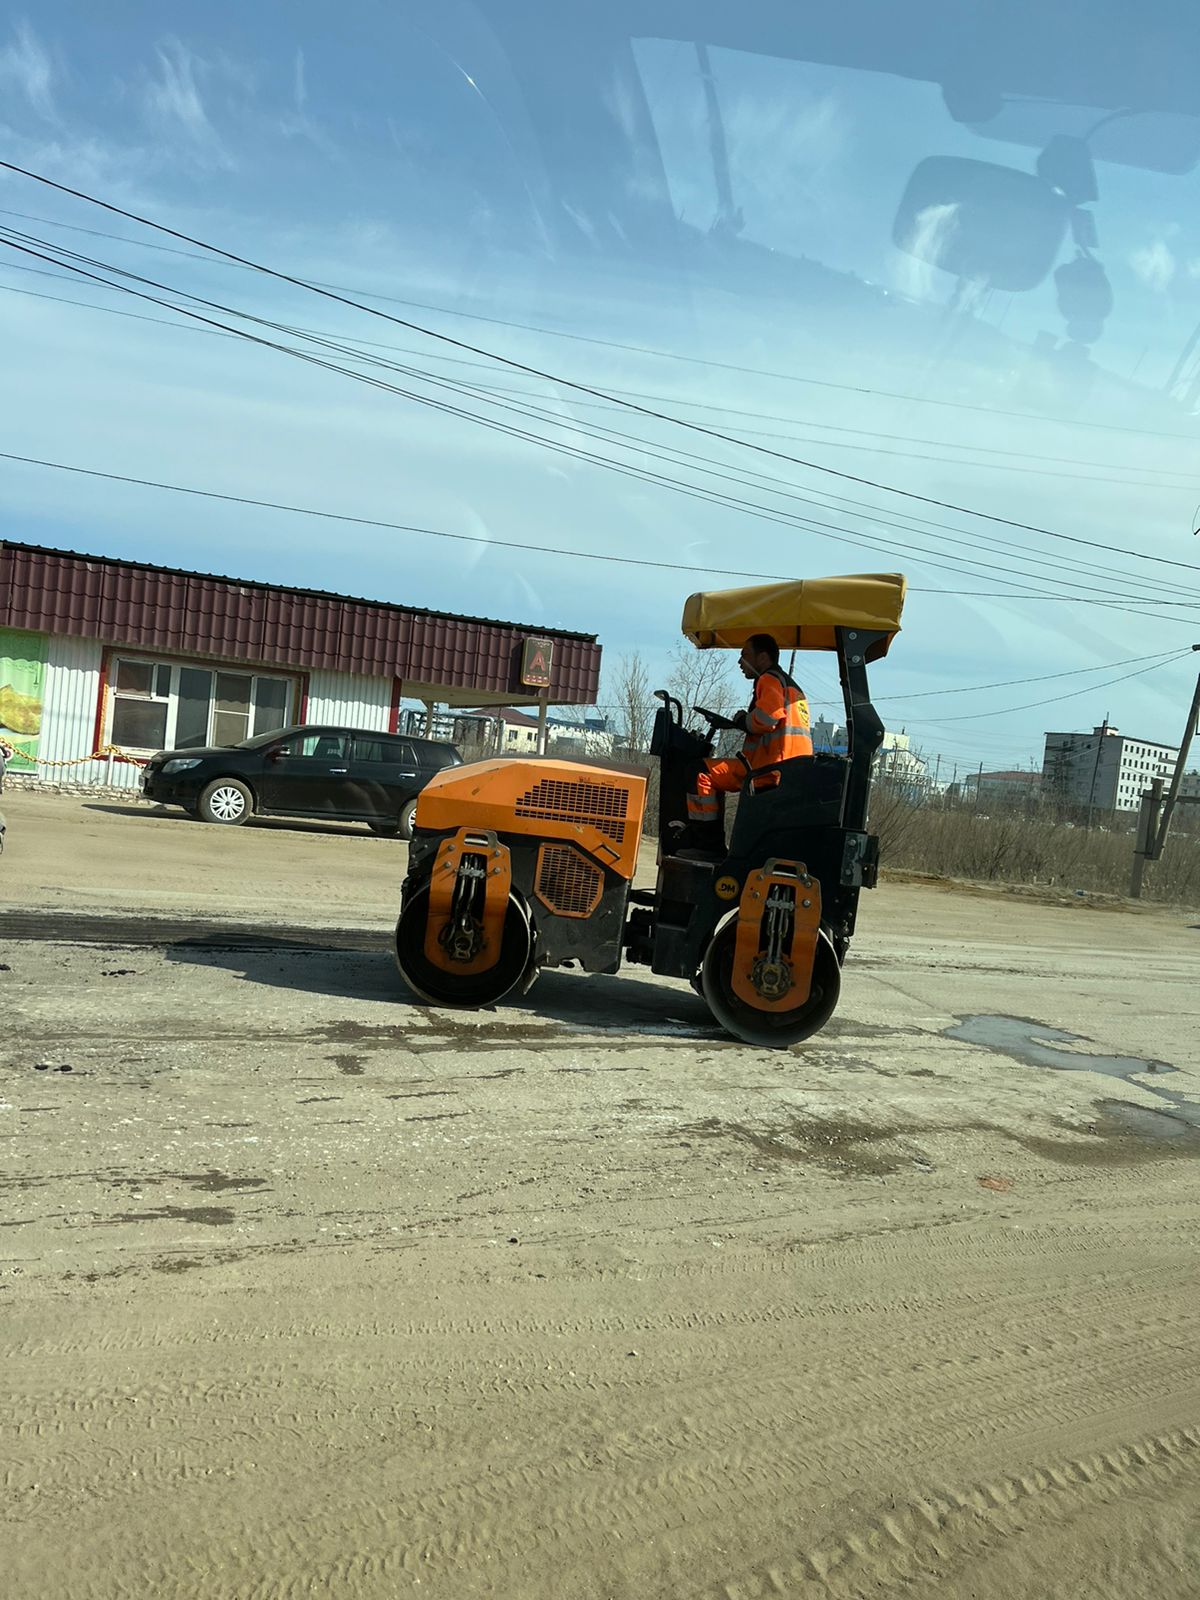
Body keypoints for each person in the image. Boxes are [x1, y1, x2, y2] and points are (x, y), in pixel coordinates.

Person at [682, 633, 812, 854]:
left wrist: (743, 720)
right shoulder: (792, 688)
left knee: (699, 771)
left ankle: (707, 846)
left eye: (745, 655)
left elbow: (767, 719)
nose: (740, 662)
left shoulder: (769, 679)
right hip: (785, 770)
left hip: (767, 771)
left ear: (762, 658)